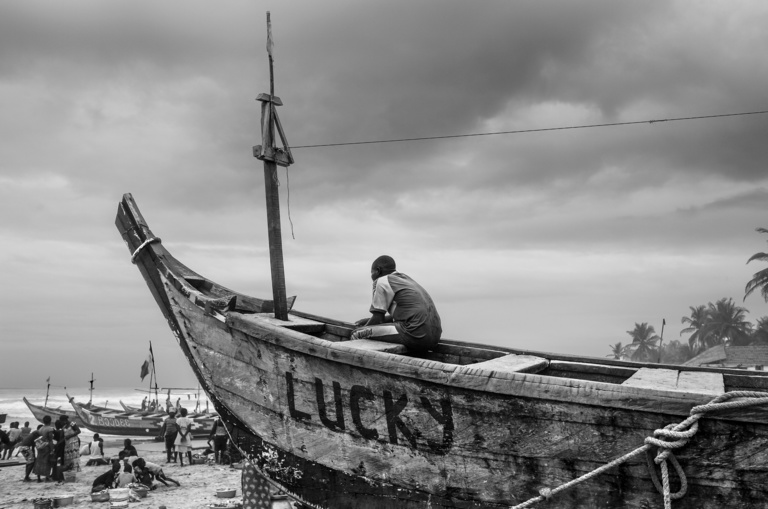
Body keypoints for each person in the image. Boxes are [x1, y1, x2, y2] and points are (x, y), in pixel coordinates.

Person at [352, 255, 442, 353]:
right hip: (434, 338)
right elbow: (406, 315)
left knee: (357, 334)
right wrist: (367, 321)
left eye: (372, 273)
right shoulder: (406, 279)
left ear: (378, 270)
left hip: (414, 334)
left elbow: (378, 319)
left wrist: (365, 327)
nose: (372, 277)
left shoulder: (381, 281)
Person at [33, 415, 55, 482]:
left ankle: (38, 478)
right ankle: (47, 477)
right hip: (46, 446)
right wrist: (52, 449)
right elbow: (50, 440)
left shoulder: (41, 428)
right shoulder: (50, 429)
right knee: (47, 461)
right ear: (50, 421)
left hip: (40, 446)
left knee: (39, 461)